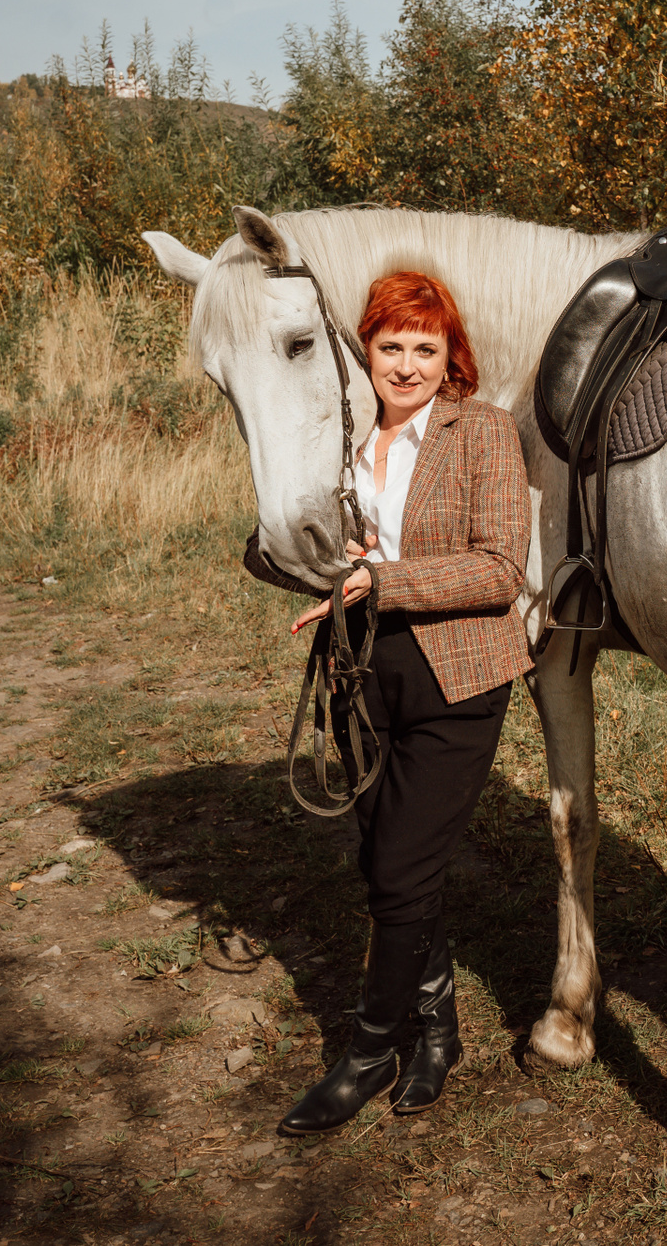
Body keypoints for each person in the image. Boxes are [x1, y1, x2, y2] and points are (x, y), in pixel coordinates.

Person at [270, 270, 533, 1136]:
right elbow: (283, 545)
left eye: (427, 347)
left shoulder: (483, 431)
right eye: (391, 347)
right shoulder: (338, 438)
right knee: (388, 857)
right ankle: (438, 1027)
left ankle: (368, 1050)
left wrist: (379, 579)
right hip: (358, 674)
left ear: (451, 355)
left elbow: (501, 569)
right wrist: (300, 558)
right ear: (366, 352)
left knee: (400, 869)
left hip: (459, 676)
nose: (408, 366)